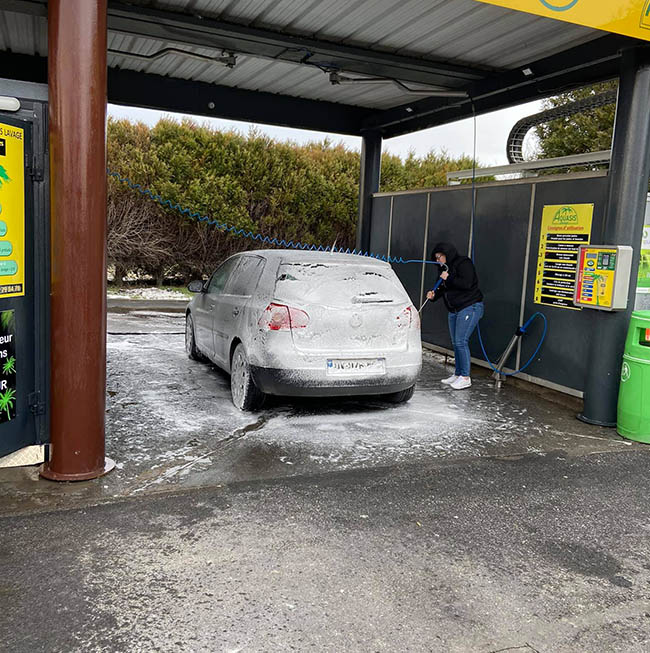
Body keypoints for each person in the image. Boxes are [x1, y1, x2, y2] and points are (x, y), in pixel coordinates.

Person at [426, 242, 483, 390]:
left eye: (440, 257)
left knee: (460, 341)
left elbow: (466, 283)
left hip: (469, 307)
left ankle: (465, 377)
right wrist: (434, 295)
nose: (438, 260)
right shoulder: (443, 270)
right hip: (454, 310)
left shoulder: (464, 263)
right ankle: (458, 374)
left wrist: (448, 277)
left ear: (447, 254)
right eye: (436, 258)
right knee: (455, 342)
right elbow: (443, 288)